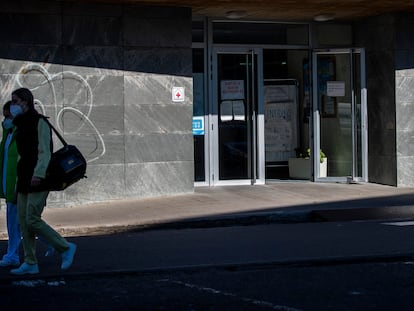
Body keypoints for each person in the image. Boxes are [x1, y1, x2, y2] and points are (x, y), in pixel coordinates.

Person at [9, 87, 76, 275]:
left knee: (31, 219)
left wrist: (38, 174)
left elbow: (45, 151)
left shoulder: (40, 122)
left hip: (39, 178)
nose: (13, 105)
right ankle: (30, 262)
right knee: (23, 222)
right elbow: (22, 156)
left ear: (26, 101)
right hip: (23, 178)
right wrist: (16, 182)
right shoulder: (19, 124)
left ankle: (65, 247)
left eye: (15, 101)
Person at [0, 101, 20, 267]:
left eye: (8, 116)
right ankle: (58, 244)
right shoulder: (8, 133)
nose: (5, 119)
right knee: (26, 220)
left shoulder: (21, 133)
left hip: (17, 185)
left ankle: (12, 254)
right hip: (10, 183)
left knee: (21, 220)